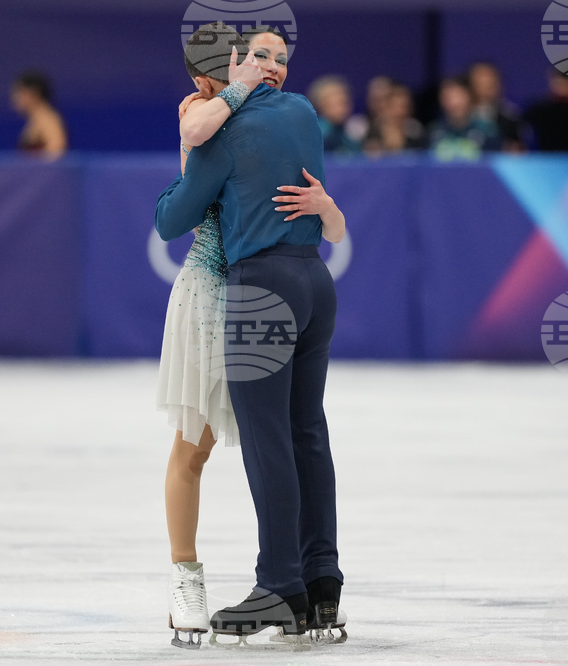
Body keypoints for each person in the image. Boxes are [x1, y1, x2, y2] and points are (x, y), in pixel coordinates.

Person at [156, 21, 347, 647]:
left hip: (260, 288)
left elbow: (173, 219)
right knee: (307, 433)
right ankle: (323, 586)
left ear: (207, 78)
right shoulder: (301, 111)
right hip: (315, 283)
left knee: (268, 443)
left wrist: (206, 129)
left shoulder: (223, 126)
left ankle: (280, 585)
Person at [427, 76, 501, 161]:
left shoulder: (487, 131)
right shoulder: (433, 132)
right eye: (449, 98)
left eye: (459, 96)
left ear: (470, 97)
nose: (455, 103)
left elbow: (496, 163)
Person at [468, 61, 525, 152]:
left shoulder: (510, 115)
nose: (485, 88)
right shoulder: (458, 114)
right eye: (480, 83)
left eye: (491, 84)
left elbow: (517, 149)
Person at [10, 71, 68, 159]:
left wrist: (35, 168)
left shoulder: (47, 119)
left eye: (18, 92)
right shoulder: (36, 120)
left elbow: (57, 150)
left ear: (33, 92)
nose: (15, 97)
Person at [363, 81, 427, 154]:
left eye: (405, 107)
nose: (400, 112)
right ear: (385, 107)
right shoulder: (369, 132)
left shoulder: (416, 132)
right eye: (394, 107)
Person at [307, 75, 362, 154]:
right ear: (322, 105)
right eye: (339, 103)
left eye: (345, 102)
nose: (344, 108)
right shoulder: (315, 135)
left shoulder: (353, 135)